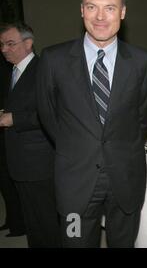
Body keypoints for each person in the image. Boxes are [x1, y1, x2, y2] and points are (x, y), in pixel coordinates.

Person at [36, 0, 147, 247]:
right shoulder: (53, 60)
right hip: (75, 179)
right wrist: (78, 144)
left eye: (110, 8)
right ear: (81, 10)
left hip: (125, 177)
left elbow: (142, 117)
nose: (100, 16)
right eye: (92, 6)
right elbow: (48, 115)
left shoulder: (142, 62)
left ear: (123, 12)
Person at [0, 22, 60, 246]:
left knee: (47, 222)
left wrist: (14, 118)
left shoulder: (43, 69)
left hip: (40, 163)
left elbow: (55, 112)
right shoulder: (13, 71)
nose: (4, 49)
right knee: (33, 222)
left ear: (28, 43)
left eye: (10, 43)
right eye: (2, 44)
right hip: (20, 162)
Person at [0, 38, 26, 238]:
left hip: (10, 129)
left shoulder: (10, 67)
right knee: (5, 181)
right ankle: (12, 220)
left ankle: (18, 223)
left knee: (11, 180)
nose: (5, 49)